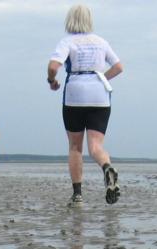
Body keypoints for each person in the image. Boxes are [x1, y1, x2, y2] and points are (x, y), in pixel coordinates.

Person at [47, 4, 123, 205]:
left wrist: (51, 81)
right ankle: (107, 167)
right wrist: (101, 78)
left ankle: (78, 195)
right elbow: (118, 67)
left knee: (75, 146)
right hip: (100, 96)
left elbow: (53, 67)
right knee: (96, 146)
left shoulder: (67, 41)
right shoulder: (101, 42)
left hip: (75, 95)